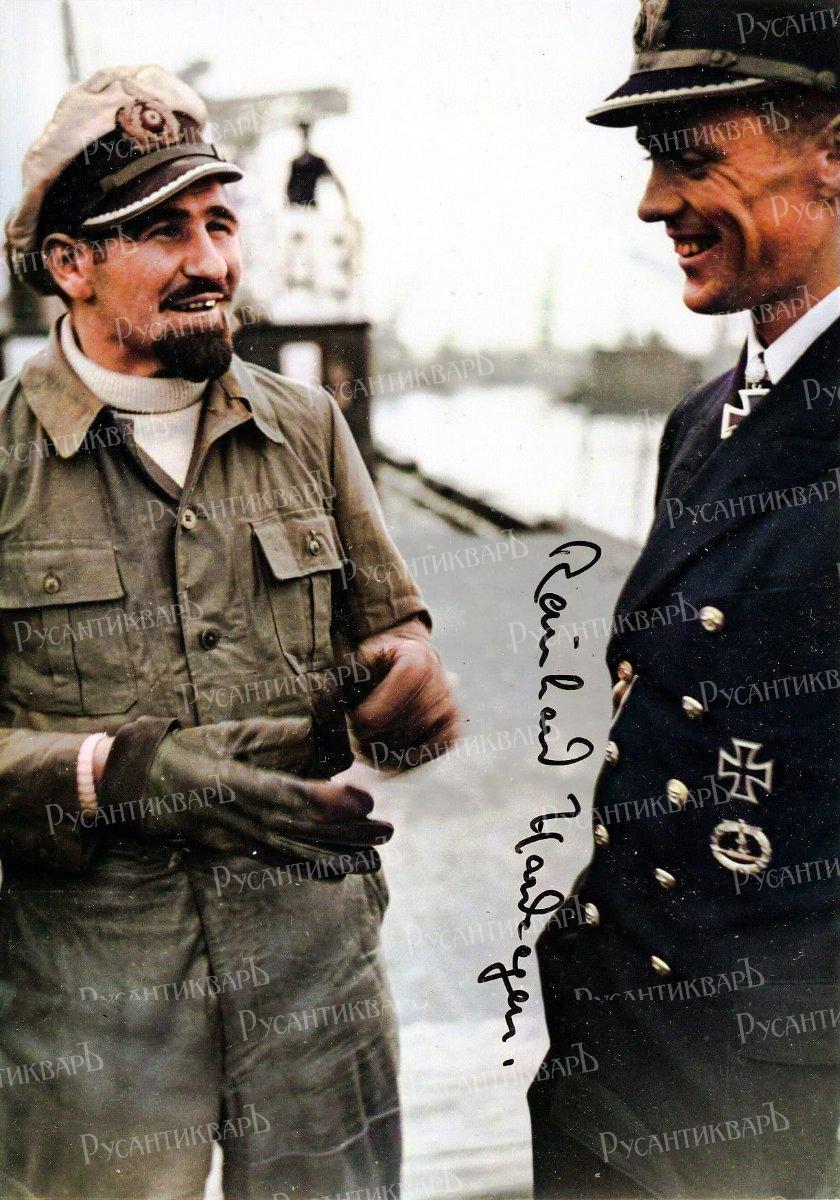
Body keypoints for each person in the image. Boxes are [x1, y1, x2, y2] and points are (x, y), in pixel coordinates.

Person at [0, 64, 460, 1200]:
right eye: (163, 231)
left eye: (218, 223)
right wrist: (115, 774)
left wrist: (410, 689)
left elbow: (396, 640)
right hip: (91, 993)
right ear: (70, 264)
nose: (209, 262)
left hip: (314, 972)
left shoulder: (307, 426)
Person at [529, 3, 839, 1197]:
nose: (654, 203)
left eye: (693, 158)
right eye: (652, 160)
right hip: (619, 1068)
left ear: (832, 155)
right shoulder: (701, 426)